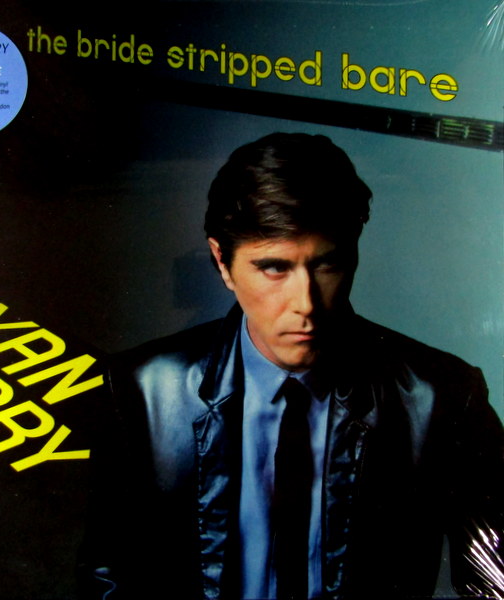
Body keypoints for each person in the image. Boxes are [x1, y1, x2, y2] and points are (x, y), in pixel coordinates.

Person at [79, 133, 504, 600]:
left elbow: (497, 582)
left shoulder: (444, 397)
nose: (306, 303)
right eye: (274, 268)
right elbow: (107, 576)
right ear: (222, 262)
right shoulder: (141, 390)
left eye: (327, 265)